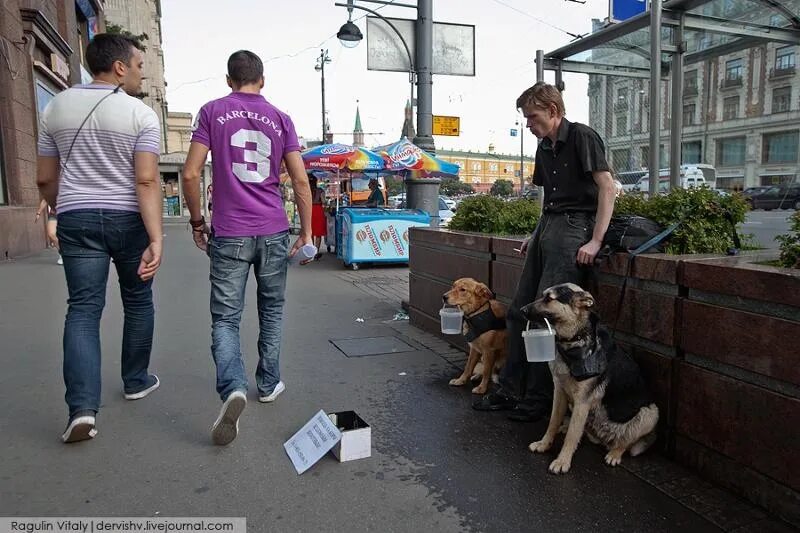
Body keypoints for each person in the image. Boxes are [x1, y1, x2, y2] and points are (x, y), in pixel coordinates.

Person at [36, 33, 163, 443]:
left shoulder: (54, 107)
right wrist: (156, 237)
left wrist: (60, 208)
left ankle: (82, 411)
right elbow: (145, 180)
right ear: (120, 67)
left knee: (83, 310)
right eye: (140, 65)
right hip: (128, 220)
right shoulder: (140, 116)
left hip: (77, 217)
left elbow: (43, 177)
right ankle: (136, 380)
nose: (143, 73)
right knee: (138, 299)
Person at [181, 50, 312, 446]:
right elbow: (301, 182)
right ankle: (268, 383)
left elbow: (189, 173)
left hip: (230, 232)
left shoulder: (211, 112)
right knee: (271, 309)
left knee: (225, 318)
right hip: (273, 230)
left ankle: (233, 387)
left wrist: (197, 222)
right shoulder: (281, 118)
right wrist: (305, 233)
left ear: (228, 80)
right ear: (262, 80)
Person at [472, 82, 616, 422]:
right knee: (520, 311)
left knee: (545, 317)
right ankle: (510, 390)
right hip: (549, 226)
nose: (528, 124)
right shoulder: (544, 147)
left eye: (533, 117)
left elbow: (607, 187)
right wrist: (534, 234)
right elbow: (548, 202)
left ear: (553, 111)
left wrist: (595, 241)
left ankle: (537, 400)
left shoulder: (582, 136)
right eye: (525, 118)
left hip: (574, 228)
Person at [35, 198, 61, 264]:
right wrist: (38, 213)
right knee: (51, 234)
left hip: (67, 213)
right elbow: (45, 200)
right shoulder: (52, 188)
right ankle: (62, 253)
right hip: (54, 214)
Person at [308, 173, 326, 262]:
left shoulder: (306, 190)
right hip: (318, 210)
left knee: (310, 232)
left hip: (309, 210)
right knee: (318, 233)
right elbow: (323, 201)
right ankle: (316, 252)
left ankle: (310, 252)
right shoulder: (320, 190)